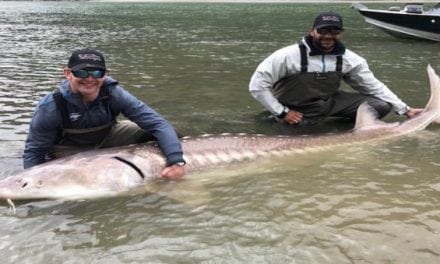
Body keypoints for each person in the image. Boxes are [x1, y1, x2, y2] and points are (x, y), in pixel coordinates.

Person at [23, 49, 185, 179]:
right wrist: (29, 180)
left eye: (97, 73)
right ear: (67, 73)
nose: (90, 78)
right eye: (82, 73)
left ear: (105, 74)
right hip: (71, 148)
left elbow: (158, 124)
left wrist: (177, 161)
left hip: (107, 137)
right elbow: (34, 152)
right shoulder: (50, 107)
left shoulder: (113, 93)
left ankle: (155, 167)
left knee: (169, 132)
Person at [249, 11, 423, 126]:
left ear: (341, 33)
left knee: (380, 106)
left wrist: (405, 109)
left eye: (334, 32)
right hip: (295, 110)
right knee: (289, 136)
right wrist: (282, 112)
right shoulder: (287, 56)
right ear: (312, 31)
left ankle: (347, 132)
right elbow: (257, 86)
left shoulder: (350, 59)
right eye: (323, 31)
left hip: (327, 104)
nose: (328, 36)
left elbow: (372, 85)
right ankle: (278, 119)